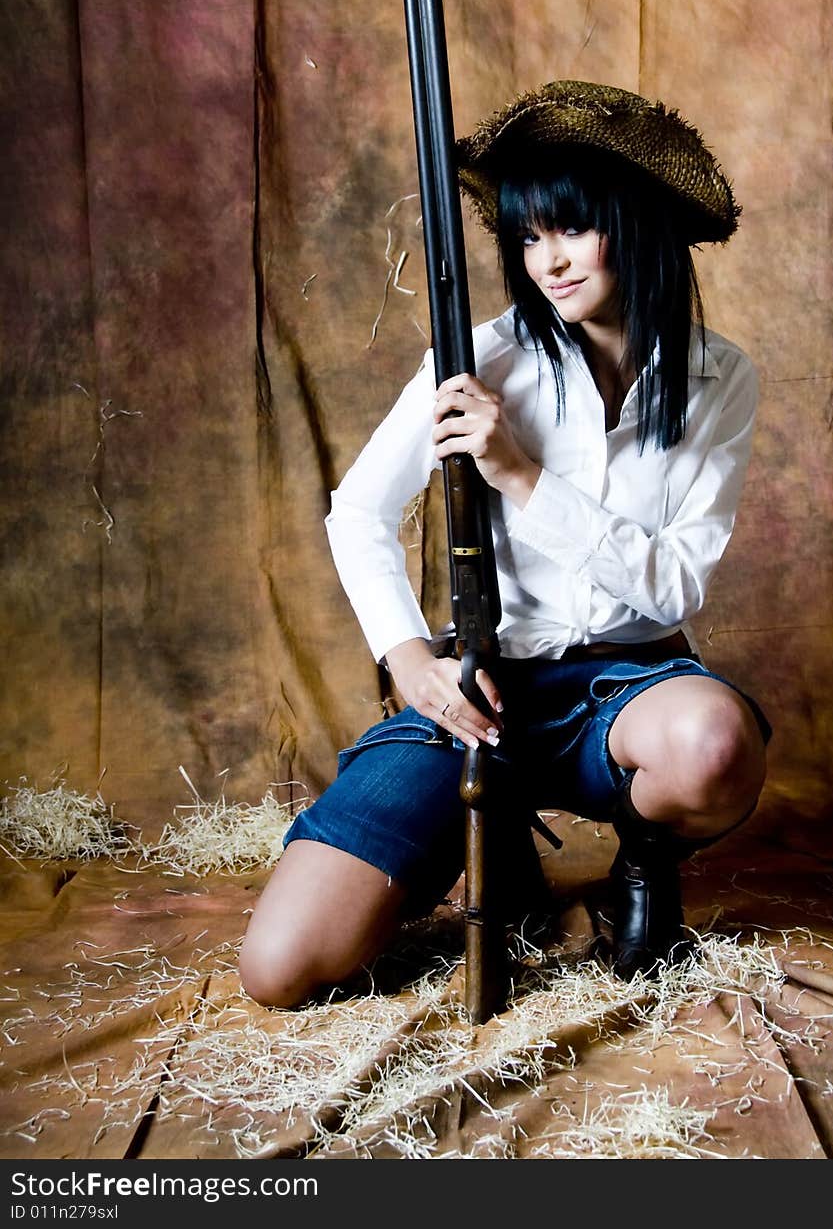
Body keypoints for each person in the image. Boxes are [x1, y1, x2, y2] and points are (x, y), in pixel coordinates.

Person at [239, 80, 772, 1009]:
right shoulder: (479, 357)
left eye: (570, 228)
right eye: (528, 237)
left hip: (630, 684)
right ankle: (494, 832)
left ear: (637, 222)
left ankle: (643, 862)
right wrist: (410, 660)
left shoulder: (720, 376)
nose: (548, 261)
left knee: (713, 745)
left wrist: (522, 473)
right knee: (280, 967)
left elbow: (674, 588)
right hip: (485, 685)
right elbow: (359, 510)